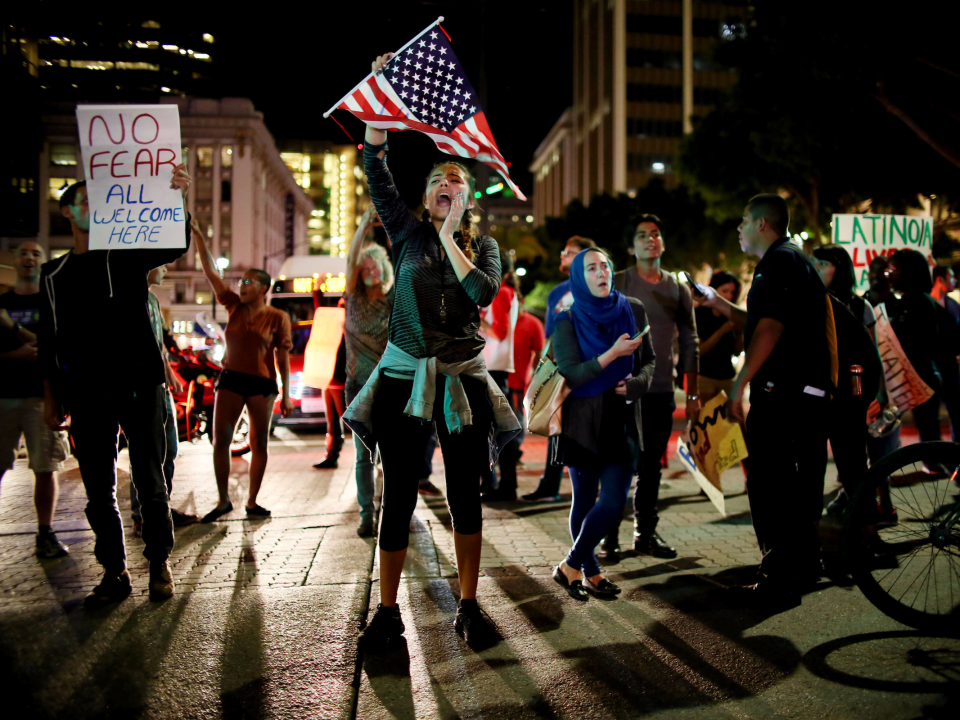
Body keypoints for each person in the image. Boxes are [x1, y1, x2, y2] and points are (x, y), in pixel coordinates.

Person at [345, 51, 520, 653]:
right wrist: (378, 94)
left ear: (468, 199)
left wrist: (452, 239)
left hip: (464, 383)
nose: (448, 184)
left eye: (458, 182)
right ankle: (387, 613)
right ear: (425, 197)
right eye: (438, 181)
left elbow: (480, 292)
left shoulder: (488, 247)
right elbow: (375, 168)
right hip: (402, 379)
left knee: (466, 493)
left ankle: (469, 605)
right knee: (397, 493)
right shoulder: (407, 232)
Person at [39, 171, 192, 606]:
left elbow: (174, 245)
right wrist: (52, 396)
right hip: (86, 392)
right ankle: (114, 570)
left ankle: (159, 562)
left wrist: (178, 196)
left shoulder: (125, 259)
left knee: (150, 477)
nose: (91, 207)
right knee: (97, 487)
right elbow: (49, 343)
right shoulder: (55, 275)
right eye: (81, 201)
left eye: (97, 200)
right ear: (66, 210)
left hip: (138, 382)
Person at [698, 194, 831, 609]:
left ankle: (777, 580)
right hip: (801, 392)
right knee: (787, 485)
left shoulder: (778, 262)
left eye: (742, 220)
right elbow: (761, 320)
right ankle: (806, 564)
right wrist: (719, 304)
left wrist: (738, 387)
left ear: (762, 225)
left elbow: (769, 329)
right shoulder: (791, 260)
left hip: (784, 392)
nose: (737, 228)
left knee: (771, 484)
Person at [552, 248, 656, 600]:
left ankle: (569, 566)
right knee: (583, 500)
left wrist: (637, 384)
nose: (601, 273)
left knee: (613, 500)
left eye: (606, 266)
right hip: (582, 419)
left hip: (622, 415)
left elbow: (649, 361)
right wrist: (612, 354)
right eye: (592, 268)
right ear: (580, 277)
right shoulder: (566, 320)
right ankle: (591, 575)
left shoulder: (634, 309)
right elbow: (572, 373)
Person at [603, 214, 700, 561]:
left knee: (651, 466)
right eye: (642, 236)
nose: (650, 240)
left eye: (655, 234)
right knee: (616, 462)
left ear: (663, 242)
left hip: (659, 389)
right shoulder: (618, 282)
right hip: (619, 389)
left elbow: (690, 341)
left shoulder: (678, 288)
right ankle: (608, 535)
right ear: (632, 247)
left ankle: (645, 534)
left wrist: (692, 394)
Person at [193, 219, 294, 523]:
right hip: (231, 380)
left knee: (258, 443)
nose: (242, 285)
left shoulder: (277, 317)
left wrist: (286, 395)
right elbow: (211, 273)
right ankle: (223, 500)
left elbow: (283, 357)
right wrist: (199, 233)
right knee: (219, 439)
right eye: (242, 282)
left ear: (263, 288)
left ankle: (252, 502)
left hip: (263, 384)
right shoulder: (233, 306)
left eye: (249, 282)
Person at [0, 242, 68, 559]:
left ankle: (45, 533)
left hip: (42, 398)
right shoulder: (1, 302)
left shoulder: (51, 302)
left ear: (43, 263)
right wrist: (15, 355)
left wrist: (13, 329)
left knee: (46, 466)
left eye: (36, 253)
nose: (29, 258)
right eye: (23, 253)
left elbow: (56, 347)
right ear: (14, 261)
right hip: (4, 396)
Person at [522, 235, 597, 503]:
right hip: (559, 370)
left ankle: (594, 485)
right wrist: (542, 371)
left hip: (589, 370)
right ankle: (550, 484)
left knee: (589, 427)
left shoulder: (596, 288)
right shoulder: (557, 292)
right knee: (555, 425)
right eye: (564, 251)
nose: (563, 255)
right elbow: (549, 337)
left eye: (570, 252)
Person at [128, 265, 197, 536]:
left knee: (169, 448)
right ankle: (143, 514)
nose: (166, 268)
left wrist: (170, 375)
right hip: (138, 387)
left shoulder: (154, 300)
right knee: (146, 452)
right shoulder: (129, 299)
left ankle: (162, 508)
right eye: (161, 263)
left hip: (160, 386)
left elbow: (159, 345)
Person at [811, 244, 880, 519]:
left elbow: (871, 356)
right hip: (816, 396)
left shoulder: (859, 306)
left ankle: (868, 530)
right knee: (812, 469)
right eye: (813, 263)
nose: (816, 269)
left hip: (849, 398)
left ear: (839, 268)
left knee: (854, 465)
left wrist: (873, 397)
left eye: (822, 264)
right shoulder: (811, 301)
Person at [342, 205, 395, 536]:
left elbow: (402, 253)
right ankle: (366, 514)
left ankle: (390, 509)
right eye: (366, 266)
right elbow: (350, 259)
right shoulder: (354, 299)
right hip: (357, 385)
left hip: (390, 385)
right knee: (363, 457)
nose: (371, 269)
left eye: (377, 264)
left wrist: (389, 223)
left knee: (390, 456)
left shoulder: (393, 301)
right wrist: (363, 223)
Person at [882, 249, 951, 446]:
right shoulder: (904, 301)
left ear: (909, 271)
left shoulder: (920, 302)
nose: (888, 274)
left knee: (929, 432)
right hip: (908, 377)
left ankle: (938, 465)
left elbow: (920, 342)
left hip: (920, 376)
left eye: (894, 268)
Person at [479, 252, 518, 501]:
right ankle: (497, 484)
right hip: (491, 368)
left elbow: (500, 331)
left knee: (498, 430)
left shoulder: (501, 292)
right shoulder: (501, 291)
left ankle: (505, 486)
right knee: (492, 431)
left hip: (493, 368)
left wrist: (476, 320)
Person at [695, 271, 743, 403]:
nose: (728, 296)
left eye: (732, 293)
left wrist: (739, 333)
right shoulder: (700, 314)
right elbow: (699, 350)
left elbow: (737, 352)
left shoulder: (732, 316)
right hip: (705, 376)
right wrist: (722, 331)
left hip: (727, 376)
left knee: (734, 420)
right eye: (724, 291)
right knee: (707, 418)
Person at [930, 265, 960, 442]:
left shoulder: (953, 305)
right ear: (940, 279)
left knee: (957, 411)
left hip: (951, 368)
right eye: (951, 276)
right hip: (933, 368)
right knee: (931, 416)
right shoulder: (927, 305)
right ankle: (933, 459)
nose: (954, 280)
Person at [314, 336, 347, 469]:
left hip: (338, 373)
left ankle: (376, 454)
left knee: (346, 417)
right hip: (328, 373)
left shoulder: (343, 322)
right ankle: (331, 454)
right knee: (332, 417)